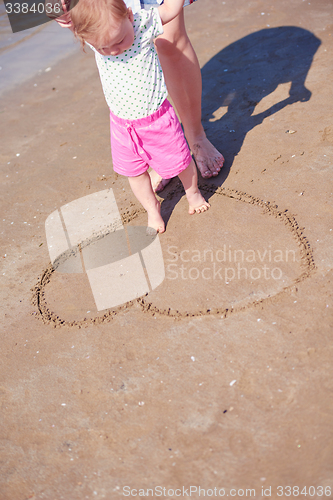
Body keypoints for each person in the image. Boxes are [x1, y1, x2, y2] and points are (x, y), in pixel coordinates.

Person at [67, 0, 210, 234]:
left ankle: (193, 193)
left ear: (130, 17)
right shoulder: (96, 36)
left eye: (120, 40)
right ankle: (152, 209)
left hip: (157, 120)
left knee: (181, 161)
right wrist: (59, 15)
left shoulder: (144, 25)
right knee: (134, 173)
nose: (114, 50)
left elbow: (170, 9)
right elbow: (71, 20)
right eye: (104, 48)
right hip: (121, 126)